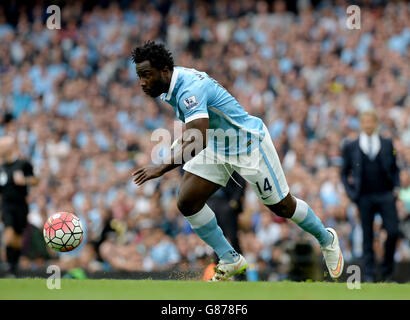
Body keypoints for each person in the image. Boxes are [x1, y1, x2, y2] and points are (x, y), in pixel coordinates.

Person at [131, 41, 343, 281]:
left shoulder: (189, 89)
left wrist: (161, 166)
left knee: (281, 206)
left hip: (248, 145)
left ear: (165, 70)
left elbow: (197, 139)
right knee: (187, 201)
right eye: (140, 76)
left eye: (147, 75)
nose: (142, 82)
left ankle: (327, 239)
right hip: (217, 145)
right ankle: (230, 258)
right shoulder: (171, 86)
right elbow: (200, 127)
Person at [341, 110, 400, 282]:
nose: (368, 125)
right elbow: (344, 173)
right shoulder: (351, 146)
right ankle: (369, 274)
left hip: (385, 194)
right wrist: (352, 194)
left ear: (376, 123)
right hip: (364, 196)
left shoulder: (387, 143)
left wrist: (395, 187)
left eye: (370, 121)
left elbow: (395, 167)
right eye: (365, 121)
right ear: (361, 124)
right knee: (367, 236)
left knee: (393, 231)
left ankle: (387, 271)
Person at [0, 136, 38, 275]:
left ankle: (13, 267)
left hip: (21, 206)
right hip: (6, 206)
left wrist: (25, 180)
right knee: (8, 235)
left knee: (17, 239)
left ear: (9, 148)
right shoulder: (1, 167)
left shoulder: (22, 164)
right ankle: (9, 265)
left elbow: (36, 180)